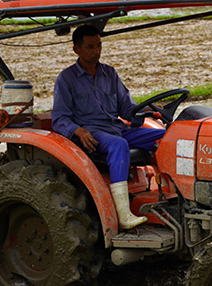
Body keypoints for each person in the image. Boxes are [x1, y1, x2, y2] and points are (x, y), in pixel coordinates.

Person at [52, 24, 166, 229]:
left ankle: (169, 192)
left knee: (167, 135)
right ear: (76, 49)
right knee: (118, 144)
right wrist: (79, 130)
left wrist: (146, 113)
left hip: (116, 127)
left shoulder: (109, 73)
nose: (96, 51)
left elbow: (126, 109)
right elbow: (60, 118)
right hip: (93, 133)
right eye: (90, 47)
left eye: (99, 46)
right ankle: (122, 213)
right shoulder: (66, 79)